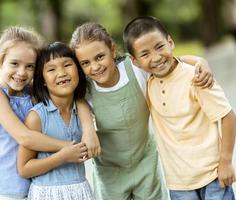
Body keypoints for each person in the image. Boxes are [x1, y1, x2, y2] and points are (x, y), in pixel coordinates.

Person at [69, 22, 214, 200]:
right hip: (109, 171)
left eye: (100, 57)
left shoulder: (135, 69)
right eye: (85, 63)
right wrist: (88, 127)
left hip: (145, 163)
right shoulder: (86, 89)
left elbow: (169, 62)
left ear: (112, 50)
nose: (95, 67)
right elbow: (76, 100)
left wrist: (200, 61)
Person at [0, 27, 99, 200]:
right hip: (0, 189)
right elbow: (25, 137)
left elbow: (75, 99)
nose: (21, 72)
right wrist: (66, 148)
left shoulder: (27, 93)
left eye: (29, 66)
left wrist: (88, 127)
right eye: (14, 63)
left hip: (28, 186)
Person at [123, 16, 236, 200]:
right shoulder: (147, 83)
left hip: (213, 175)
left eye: (160, 47)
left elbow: (228, 117)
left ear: (170, 42)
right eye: (145, 54)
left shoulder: (196, 77)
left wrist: (225, 162)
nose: (156, 57)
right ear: (135, 61)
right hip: (178, 183)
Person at [17, 42, 94, 200]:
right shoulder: (37, 117)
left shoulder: (81, 109)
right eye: (51, 69)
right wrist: (61, 157)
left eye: (67, 65)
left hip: (80, 190)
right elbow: (24, 168)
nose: (62, 73)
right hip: (47, 193)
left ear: (78, 71)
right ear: (43, 80)